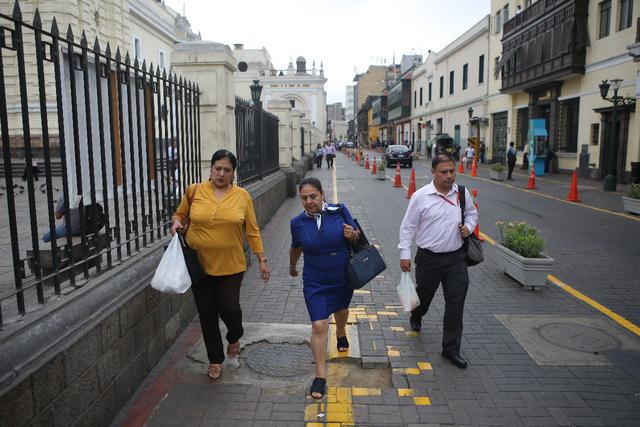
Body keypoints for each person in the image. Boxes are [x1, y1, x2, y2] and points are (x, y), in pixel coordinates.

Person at [171, 149, 270, 380]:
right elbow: (180, 215)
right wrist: (176, 223)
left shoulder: (242, 196)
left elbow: (252, 231)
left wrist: (262, 259)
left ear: (233, 173)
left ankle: (235, 336)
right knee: (206, 314)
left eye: (227, 170)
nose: (221, 173)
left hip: (231, 265)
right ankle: (215, 359)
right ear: (211, 169)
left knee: (229, 308)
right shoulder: (194, 191)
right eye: (218, 168)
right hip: (198, 265)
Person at [398, 154, 478, 369]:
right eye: (444, 172)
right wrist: (404, 254)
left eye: (452, 171)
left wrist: (468, 227)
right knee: (423, 295)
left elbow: (472, 214)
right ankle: (417, 312)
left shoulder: (462, 193)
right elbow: (407, 228)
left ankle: (451, 349)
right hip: (429, 259)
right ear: (433, 173)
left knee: (455, 303)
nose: (449, 176)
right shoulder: (421, 196)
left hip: (456, 259)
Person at [289, 177, 360, 399]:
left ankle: (340, 331)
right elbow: (296, 247)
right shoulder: (297, 223)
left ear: (322, 195)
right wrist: (292, 266)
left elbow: (358, 236)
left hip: (341, 277)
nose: (309, 201)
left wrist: (353, 234)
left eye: (313, 196)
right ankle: (320, 375)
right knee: (319, 325)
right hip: (315, 280)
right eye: (304, 198)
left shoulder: (339, 211)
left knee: (341, 311)